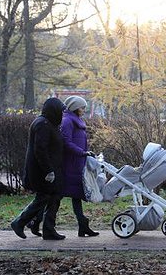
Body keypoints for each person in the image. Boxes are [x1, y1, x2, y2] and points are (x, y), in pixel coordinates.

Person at [11, 98, 66, 240]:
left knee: (55, 196)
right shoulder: (42, 124)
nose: (62, 114)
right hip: (43, 171)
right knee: (43, 198)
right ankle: (20, 222)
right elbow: (40, 149)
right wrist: (48, 170)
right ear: (53, 111)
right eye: (60, 111)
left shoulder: (48, 123)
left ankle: (48, 229)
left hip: (51, 169)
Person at [60, 95, 99, 237]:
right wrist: (82, 153)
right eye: (82, 107)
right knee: (56, 197)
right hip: (70, 164)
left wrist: (85, 154)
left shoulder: (77, 121)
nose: (84, 110)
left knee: (75, 195)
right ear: (75, 108)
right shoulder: (68, 121)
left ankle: (83, 226)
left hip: (77, 163)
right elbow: (66, 142)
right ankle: (34, 220)